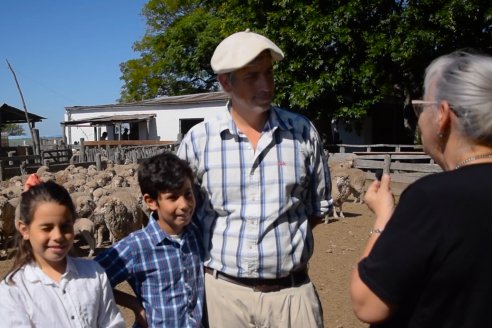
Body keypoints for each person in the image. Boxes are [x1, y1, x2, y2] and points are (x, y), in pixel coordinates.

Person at [177, 29, 332, 327]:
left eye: (269, 73)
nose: (266, 85)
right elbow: (186, 217)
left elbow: (316, 209)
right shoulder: (198, 141)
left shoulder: (302, 133)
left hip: (291, 298)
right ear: (226, 82)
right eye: (252, 76)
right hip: (223, 298)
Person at [350, 50, 492, 327]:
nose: (419, 119)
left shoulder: (434, 198)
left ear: (442, 115)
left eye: (421, 107)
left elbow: (367, 304)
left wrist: (382, 219)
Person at [95, 152, 204, 327]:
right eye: (173, 197)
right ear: (151, 201)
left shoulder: (197, 235)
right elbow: (91, 279)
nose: (184, 204)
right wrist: (135, 305)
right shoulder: (136, 246)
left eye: (188, 194)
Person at [0, 174, 125, 327]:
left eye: (66, 227)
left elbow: (112, 323)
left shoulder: (94, 274)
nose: (58, 236)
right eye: (46, 228)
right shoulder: (14, 291)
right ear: (24, 230)